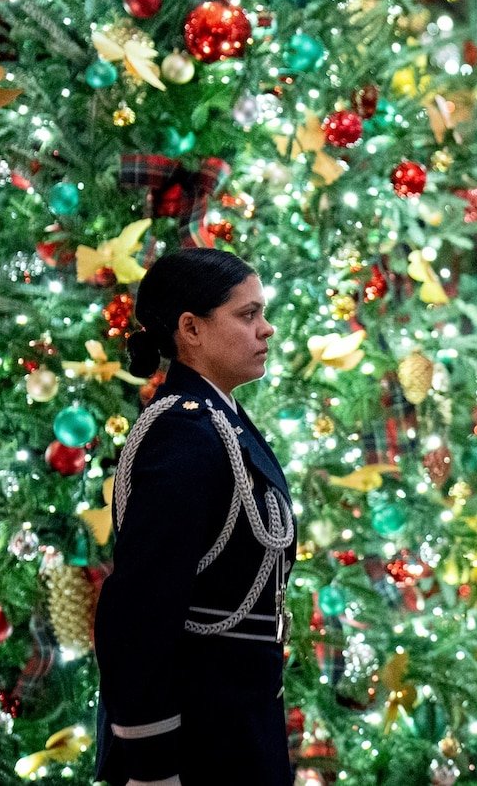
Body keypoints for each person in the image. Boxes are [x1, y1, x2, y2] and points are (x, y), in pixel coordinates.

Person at [93, 248, 294, 786]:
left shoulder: (219, 422)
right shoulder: (182, 432)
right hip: (194, 743)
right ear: (191, 328)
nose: (267, 329)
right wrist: (152, 766)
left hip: (237, 727)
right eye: (247, 315)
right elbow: (138, 612)